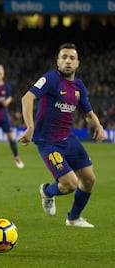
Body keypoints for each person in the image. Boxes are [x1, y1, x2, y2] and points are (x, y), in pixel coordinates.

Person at [19, 43, 105, 228]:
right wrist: (30, 127)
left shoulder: (78, 86)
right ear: (57, 62)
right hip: (48, 142)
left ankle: (73, 218)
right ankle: (47, 191)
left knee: (89, 179)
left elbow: (88, 113)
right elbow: (27, 98)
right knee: (70, 184)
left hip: (68, 139)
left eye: (71, 58)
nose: (67, 61)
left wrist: (99, 126)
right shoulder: (50, 79)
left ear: (78, 63)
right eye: (64, 57)